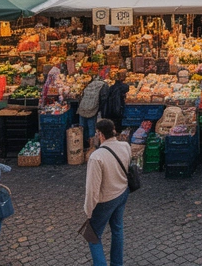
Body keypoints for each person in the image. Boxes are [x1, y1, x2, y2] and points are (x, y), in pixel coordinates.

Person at [84, 119, 131, 266]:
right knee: (117, 230)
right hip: (122, 193)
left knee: (93, 236)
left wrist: (89, 211)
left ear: (100, 134)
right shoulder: (125, 146)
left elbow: (92, 189)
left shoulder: (96, 157)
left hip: (106, 200)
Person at [77, 74, 108, 147]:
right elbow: (104, 99)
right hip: (92, 109)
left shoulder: (89, 85)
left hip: (82, 108)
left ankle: (81, 146)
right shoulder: (104, 85)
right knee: (91, 129)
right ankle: (91, 148)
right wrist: (99, 109)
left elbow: (82, 96)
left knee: (82, 128)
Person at [99, 70, 130, 136]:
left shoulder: (112, 87)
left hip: (110, 110)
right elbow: (126, 88)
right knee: (118, 126)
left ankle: (113, 135)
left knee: (113, 125)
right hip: (117, 109)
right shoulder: (123, 87)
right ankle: (117, 136)